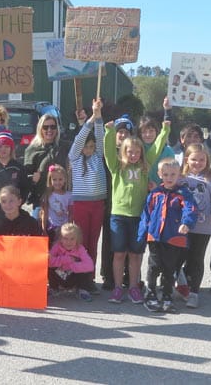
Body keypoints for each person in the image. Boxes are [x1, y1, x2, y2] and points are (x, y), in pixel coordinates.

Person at [104, 115, 170, 304]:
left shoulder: (145, 166)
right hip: (119, 215)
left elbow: (157, 148)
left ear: (141, 153)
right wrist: (109, 132)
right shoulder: (117, 167)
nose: (133, 155)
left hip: (139, 216)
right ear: (123, 152)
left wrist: (165, 130)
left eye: (136, 152)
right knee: (119, 253)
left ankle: (134, 287)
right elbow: (109, 151)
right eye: (129, 152)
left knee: (135, 254)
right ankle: (118, 288)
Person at [138, 158, 197, 313]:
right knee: (154, 266)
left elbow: (189, 209)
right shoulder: (155, 193)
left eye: (173, 174)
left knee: (169, 269)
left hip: (174, 238)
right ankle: (150, 293)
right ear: (160, 174)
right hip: (155, 236)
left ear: (179, 175)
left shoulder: (183, 194)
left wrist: (187, 223)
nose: (169, 177)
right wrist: (142, 234)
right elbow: (146, 214)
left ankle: (167, 295)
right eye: (166, 174)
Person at [68, 98, 107, 293]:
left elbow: (101, 138)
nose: (89, 149)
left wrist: (98, 117)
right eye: (86, 146)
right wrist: (90, 119)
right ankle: (78, 277)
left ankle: (89, 277)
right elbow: (78, 140)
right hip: (81, 205)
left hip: (98, 204)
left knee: (93, 241)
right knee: (80, 242)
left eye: (91, 146)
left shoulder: (99, 156)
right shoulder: (75, 157)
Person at [178, 143, 211, 309]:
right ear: (186, 160)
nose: (197, 162)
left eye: (202, 159)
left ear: (207, 161)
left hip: (203, 226)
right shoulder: (180, 179)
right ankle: (182, 285)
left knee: (196, 259)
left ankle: (194, 292)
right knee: (180, 257)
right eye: (194, 159)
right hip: (182, 226)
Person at [100, 113, 134, 291]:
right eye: (119, 132)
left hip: (129, 206)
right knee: (110, 242)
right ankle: (108, 276)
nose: (122, 135)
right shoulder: (108, 154)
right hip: (110, 203)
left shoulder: (134, 156)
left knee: (128, 243)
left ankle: (129, 276)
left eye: (126, 132)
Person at [0, 130, 29, 234]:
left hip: (13, 212)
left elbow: (25, 188)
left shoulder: (18, 167)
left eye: (6, 146)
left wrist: (17, 204)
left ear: (11, 148)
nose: (3, 149)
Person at [24, 113, 69, 217]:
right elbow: (25, 177)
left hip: (61, 200)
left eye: (53, 127)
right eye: (45, 127)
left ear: (57, 129)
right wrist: (33, 179)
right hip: (40, 200)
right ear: (40, 129)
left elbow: (80, 143)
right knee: (39, 231)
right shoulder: (32, 150)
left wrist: (82, 123)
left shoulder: (64, 146)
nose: (49, 130)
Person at [48, 222, 95, 301]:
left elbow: (90, 266)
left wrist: (70, 265)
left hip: (73, 276)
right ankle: (54, 288)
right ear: (60, 239)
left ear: (77, 239)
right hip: (59, 274)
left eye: (72, 239)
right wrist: (66, 259)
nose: (68, 242)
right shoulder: (56, 247)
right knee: (48, 267)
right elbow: (49, 262)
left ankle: (82, 289)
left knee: (86, 270)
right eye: (65, 238)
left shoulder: (80, 248)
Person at [139, 97, 175, 187]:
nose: (148, 134)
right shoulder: (138, 150)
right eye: (144, 132)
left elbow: (172, 173)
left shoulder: (167, 151)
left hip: (162, 192)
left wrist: (167, 110)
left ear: (157, 132)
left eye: (151, 131)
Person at [41, 165, 72, 242]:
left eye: (60, 179)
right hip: (52, 227)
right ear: (50, 180)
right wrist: (43, 229)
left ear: (65, 179)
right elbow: (44, 214)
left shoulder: (69, 195)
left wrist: (69, 229)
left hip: (64, 228)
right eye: (54, 179)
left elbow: (71, 214)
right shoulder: (48, 195)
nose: (57, 182)